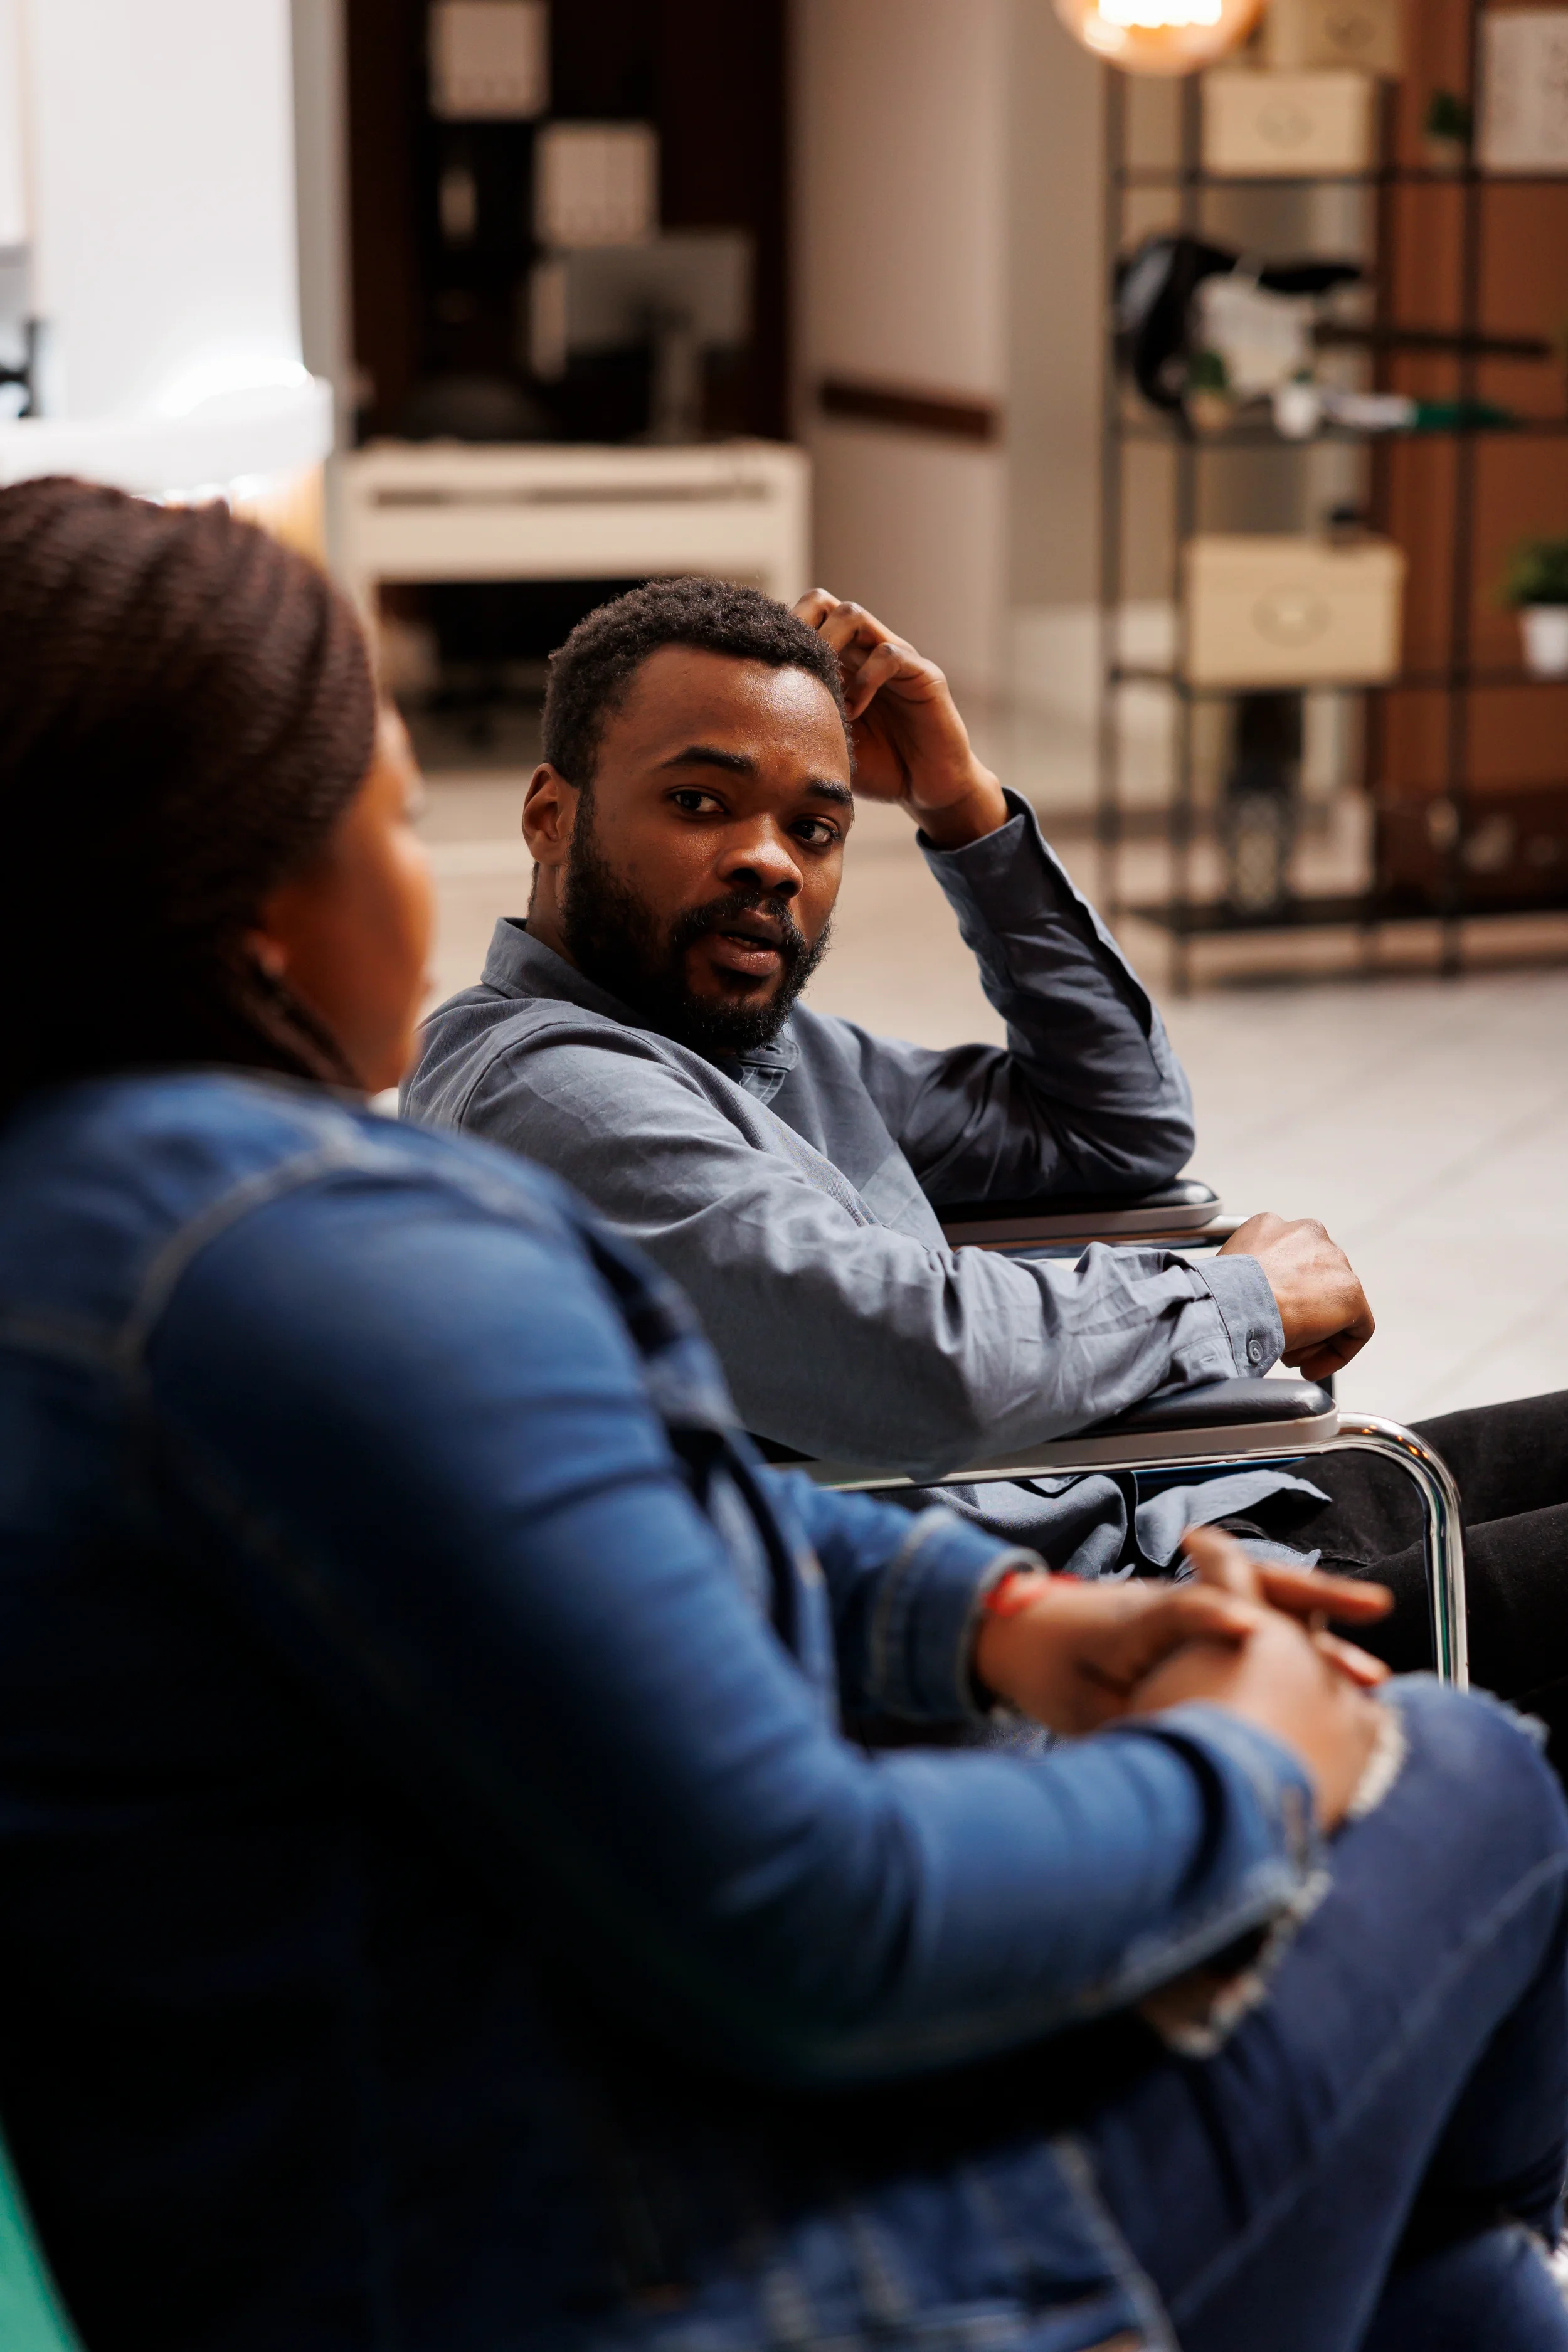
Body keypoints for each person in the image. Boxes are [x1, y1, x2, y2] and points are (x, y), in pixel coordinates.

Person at [4, 482, 1568, 2352]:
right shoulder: (301, 1260)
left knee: (1443, 2269)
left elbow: (625, 1494)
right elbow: (819, 1915)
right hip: (710, 2262)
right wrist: (1239, 1773)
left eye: (812, 829)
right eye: (387, 788)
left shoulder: (128, 1212)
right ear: (264, 885)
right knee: (1474, 1787)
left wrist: (997, 1614)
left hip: (591, 2142)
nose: (766, 859)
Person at [402, 578, 1568, 1755]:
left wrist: (962, 807)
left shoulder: (744, 1041)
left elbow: (1118, 1126)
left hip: (1182, 1514)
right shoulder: (552, 1091)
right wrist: (1243, 1298)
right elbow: (915, 1360)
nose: (770, 864)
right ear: (551, 814)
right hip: (1089, 1646)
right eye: (701, 802)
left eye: (815, 828)